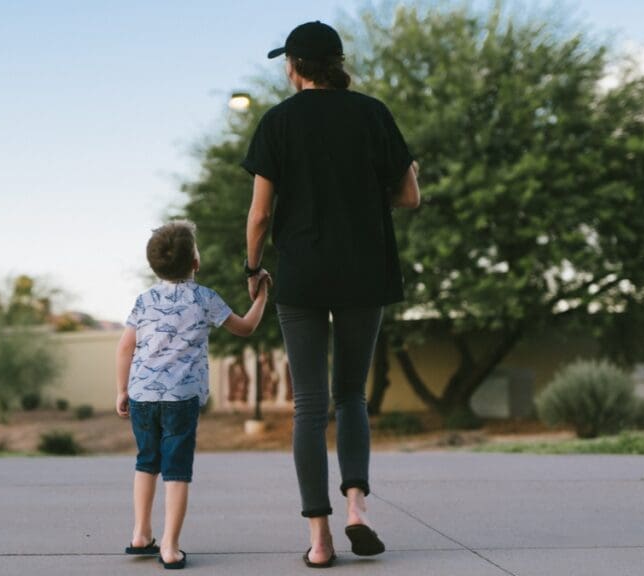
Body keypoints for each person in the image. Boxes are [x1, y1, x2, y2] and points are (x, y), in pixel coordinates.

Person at [241, 21, 421, 568]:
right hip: (364, 271)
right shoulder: (373, 113)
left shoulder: (277, 122)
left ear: (294, 67)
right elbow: (410, 195)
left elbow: (260, 214)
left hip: (301, 275)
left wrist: (253, 268)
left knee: (309, 406)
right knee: (351, 396)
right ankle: (357, 508)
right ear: (337, 65)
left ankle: (319, 541)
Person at [116, 220, 271, 570]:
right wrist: (262, 296)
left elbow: (125, 346)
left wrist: (122, 389)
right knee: (177, 471)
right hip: (181, 400)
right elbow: (245, 327)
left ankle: (141, 534)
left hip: (142, 396)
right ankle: (169, 547)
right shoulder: (205, 298)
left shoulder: (144, 300)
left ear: (153, 264)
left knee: (146, 462)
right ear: (195, 263)